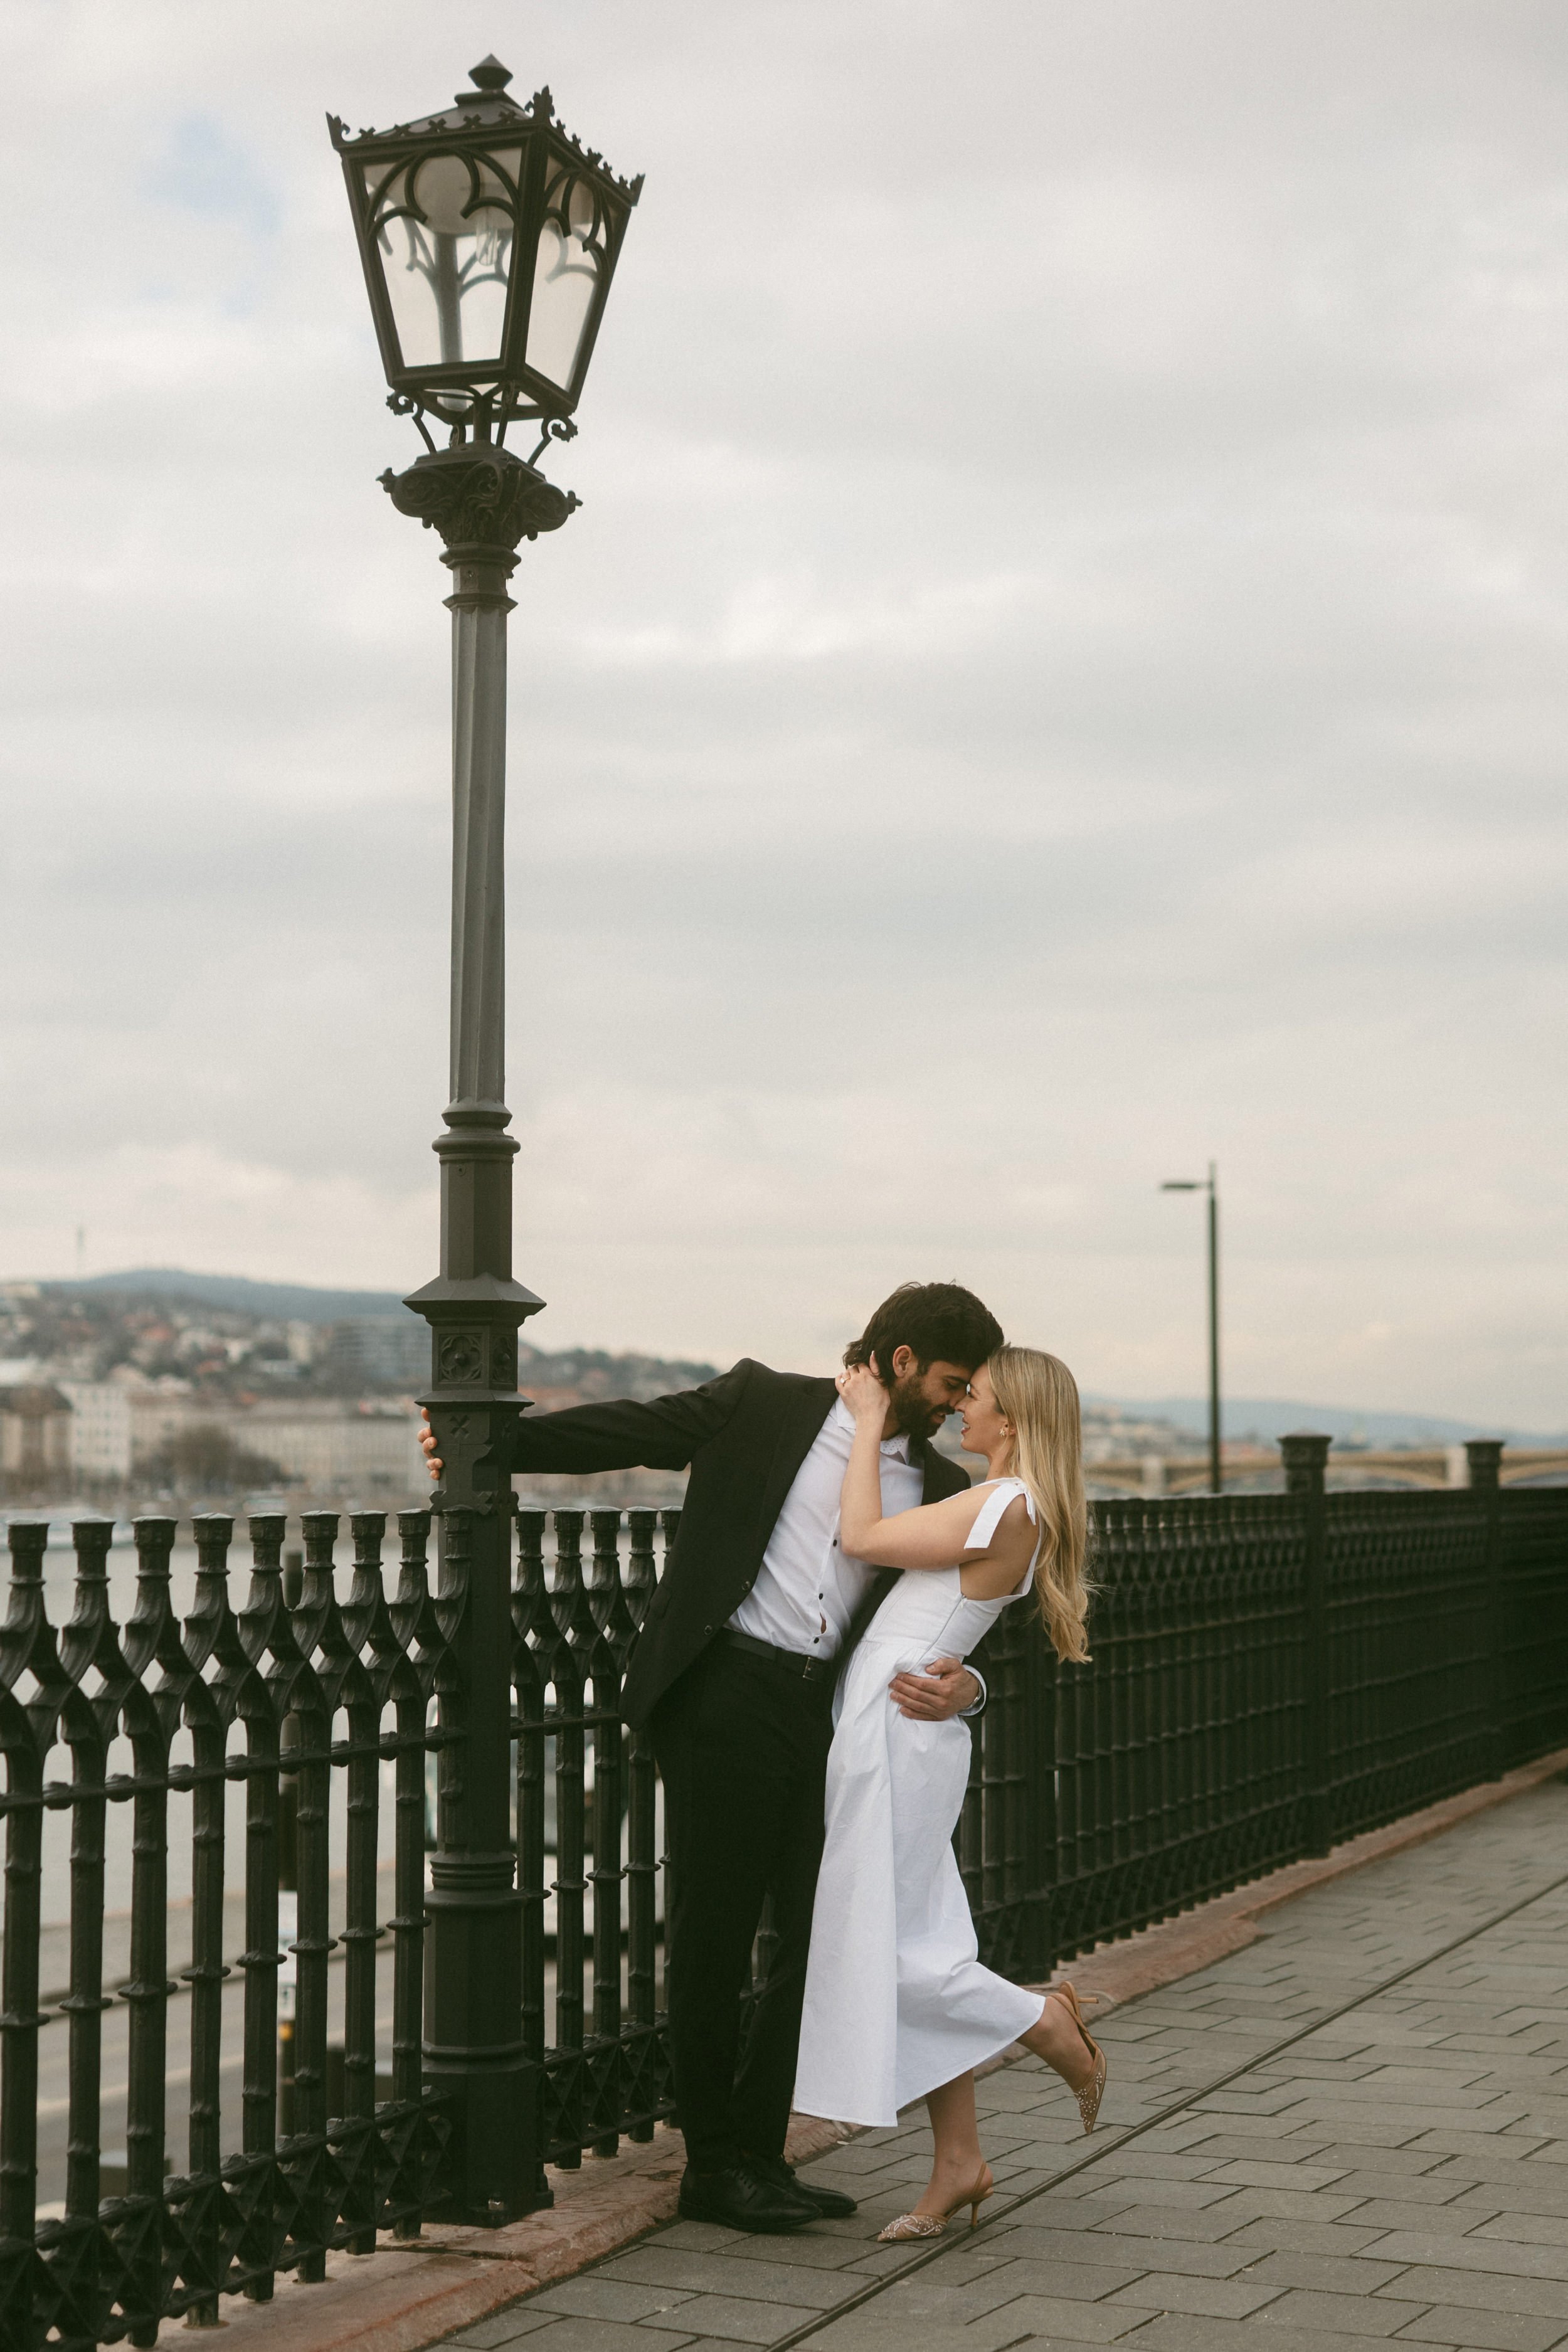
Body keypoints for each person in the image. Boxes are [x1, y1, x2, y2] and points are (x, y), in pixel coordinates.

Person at [418, 1280, 1004, 2234]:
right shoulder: (766, 1401)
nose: (953, 1399)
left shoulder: (939, 1487)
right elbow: (639, 1431)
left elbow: (960, 1622)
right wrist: (489, 1439)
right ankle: (713, 2165)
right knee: (713, 1931)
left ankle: (759, 2156)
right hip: (724, 1688)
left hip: (826, 1715)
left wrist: (968, 1690)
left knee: (813, 1935)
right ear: (901, 1362)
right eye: (948, 1379)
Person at [792, 1345, 1102, 2240]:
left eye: (979, 1397)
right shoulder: (1012, 1504)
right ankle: (959, 2161)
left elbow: (860, 1538)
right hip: (904, 1726)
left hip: (897, 1737)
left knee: (889, 1950)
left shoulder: (1003, 1501)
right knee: (918, 1940)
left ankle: (1042, 2018)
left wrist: (864, 1422)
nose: (964, 1407)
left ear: (1014, 1420)